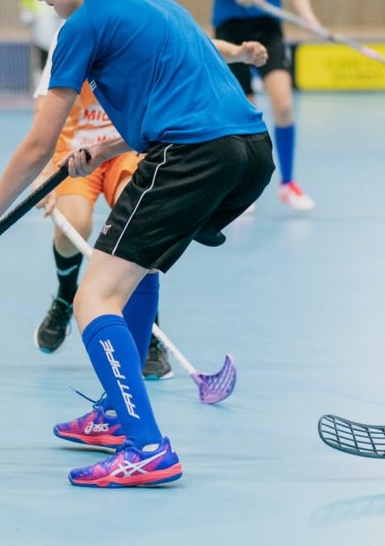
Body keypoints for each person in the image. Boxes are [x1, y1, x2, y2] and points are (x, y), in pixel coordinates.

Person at [0, 0, 274, 487]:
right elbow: (194, 101)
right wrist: (106, 150)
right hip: (249, 152)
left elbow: (37, 144)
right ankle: (112, 414)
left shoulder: (81, 25)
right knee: (134, 265)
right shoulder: (157, 4)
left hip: (193, 155)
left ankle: (147, 448)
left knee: (93, 296)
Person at [33, 28, 269, 386]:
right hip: (78, 154)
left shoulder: (135, 25)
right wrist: (48, 170)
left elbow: (191, 46)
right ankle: (65, 298)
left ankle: (149, 333)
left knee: (141, 229)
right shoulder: (72, 34)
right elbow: (45, 105)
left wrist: (238, 51)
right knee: (74, 225)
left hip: (125, 147)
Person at [191, 0, 321, 212]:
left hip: (269, 29)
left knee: (283, 106)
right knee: (245, 113)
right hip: (231, 33)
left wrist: (309, 17)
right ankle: (241, 188)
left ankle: (289, 183)